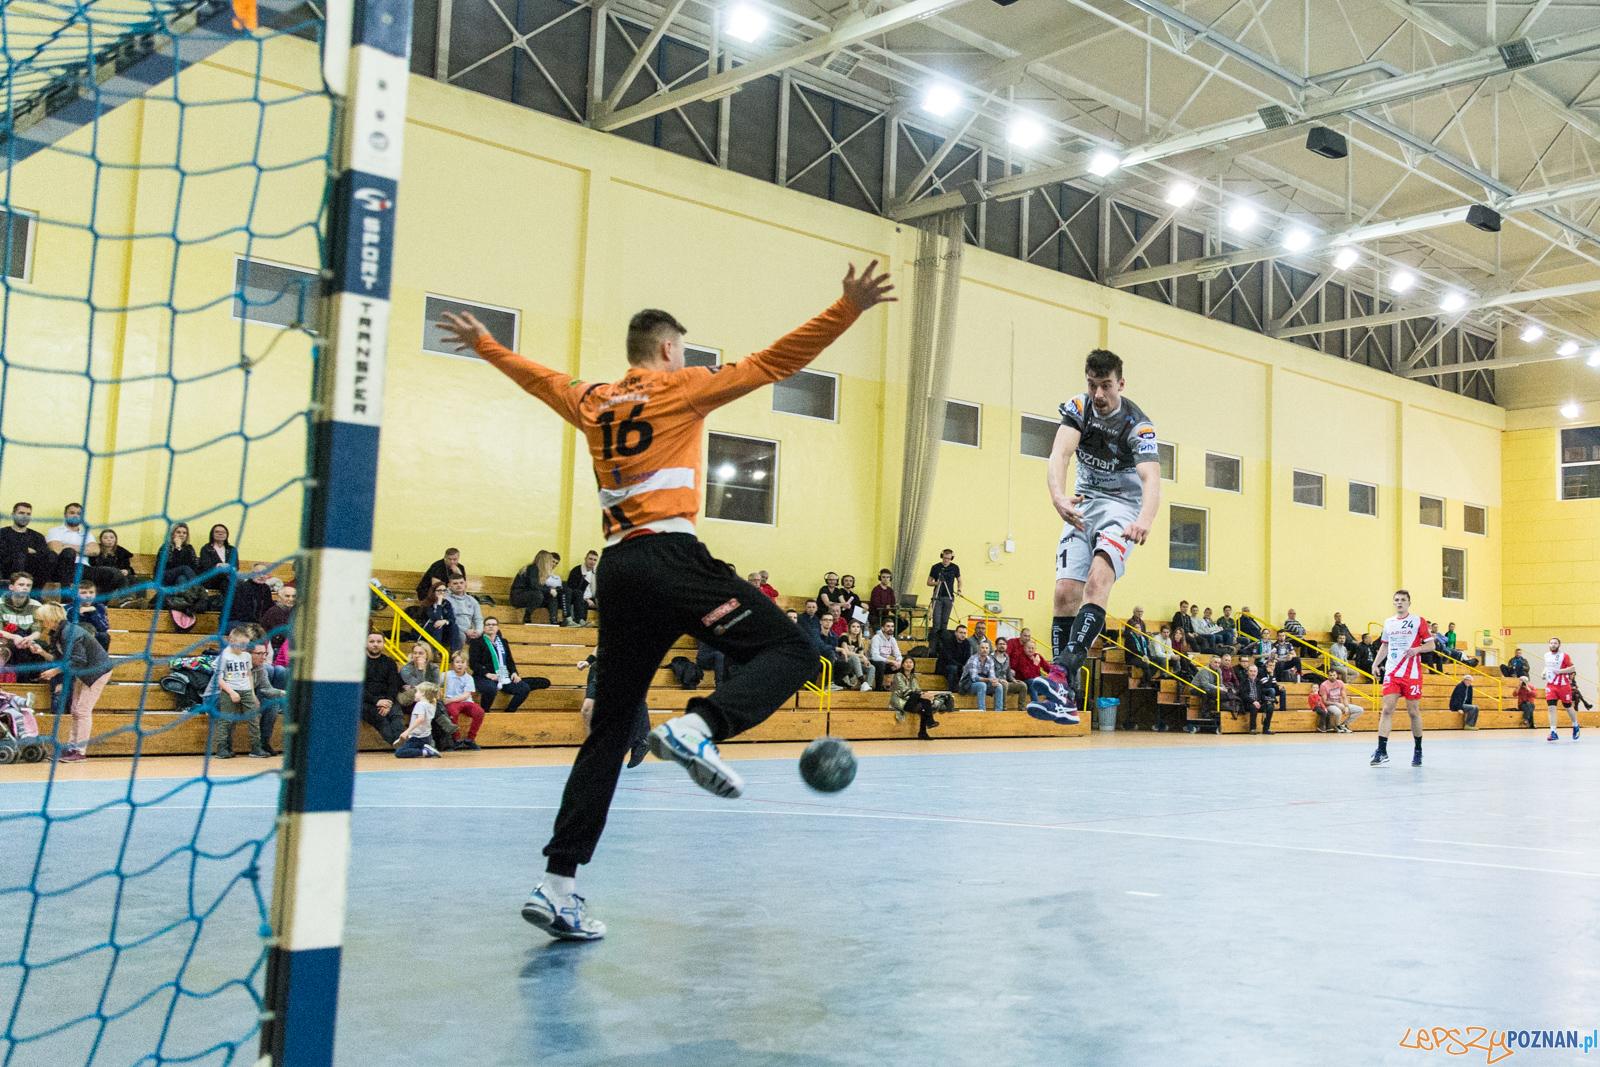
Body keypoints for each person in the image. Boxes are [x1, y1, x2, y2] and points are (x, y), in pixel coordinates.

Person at [442, 257, 894, 941]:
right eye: (680, 346)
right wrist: (846, 310)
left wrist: (485, 345)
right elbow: (773, 362)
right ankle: (700, 725)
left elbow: (537, 378)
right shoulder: (682, 386)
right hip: (671, 554)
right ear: (667, 348)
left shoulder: (592, 397)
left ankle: (557, 882)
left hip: (618, 570)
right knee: (794, 647)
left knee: (609, 729)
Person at [1048, 349, 1161, 713]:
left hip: (1121, 509)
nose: (1098, 394)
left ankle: (1062, 671)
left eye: (1106, 386)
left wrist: (1144, 519)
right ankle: (1060, 690)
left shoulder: (1137, 425)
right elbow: (1060, 454)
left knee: (1097, 582)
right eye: (1092, 385)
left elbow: (1151, 479)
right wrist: (1058, 497)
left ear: (1120, 384)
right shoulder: (1078, 409)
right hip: (1082, 503)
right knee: (1065, 591)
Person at [33, 601, 112, 762]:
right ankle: (71, 748)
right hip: (84, 671)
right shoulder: (59, 632)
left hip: (97, 671)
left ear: (50, 618)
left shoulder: (70, 632)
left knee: (82, 710)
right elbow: (60, 659)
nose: (40, 624)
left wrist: (54, 671)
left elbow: (77, 660)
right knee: (75, 709)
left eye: (42, 620)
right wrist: (41, 652)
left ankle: (80, 751)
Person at [1370, 589, 1435, 767]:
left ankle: (1418, 750)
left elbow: (1431, 644)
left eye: (1403, 600)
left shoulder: (1417, 621)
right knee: (1387, 710)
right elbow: (1384, 645)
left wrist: (1417, 649)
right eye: (1397, 600)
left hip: (1412, 673)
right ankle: (1381, 751)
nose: (1399, 602)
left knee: (1413, 712)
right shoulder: (1389, 623)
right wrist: (1376, 664)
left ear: (1408, 603)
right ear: (1393, 603)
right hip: (1392, 672)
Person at [210, 626, 267, 759]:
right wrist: (231, 692)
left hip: (245, 690)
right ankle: (222, 748)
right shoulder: (225, 656)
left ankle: (256, 747)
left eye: (246, 644)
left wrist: (252, 694)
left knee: (253, 718)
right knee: (226, 719)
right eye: (241, 644)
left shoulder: (246, 656)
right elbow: (218, 678)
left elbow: (248, 675)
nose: (244, 647)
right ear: (232, 640)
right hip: (230, 691)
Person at [470, 616, 544, 715]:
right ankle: (484, 711)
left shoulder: (503, 642)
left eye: (493, 624)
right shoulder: (476, 642)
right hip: (483, 676)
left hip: (502, 675)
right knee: (490, 688)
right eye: (488, 625)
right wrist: (488, 674)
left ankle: (509, 712)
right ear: (484, 628)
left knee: (524, 688)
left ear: (497, 627)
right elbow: (473, 664)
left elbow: (509, 660)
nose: (491, 627)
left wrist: (514, 672)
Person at [361, 632, 406, 743]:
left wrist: (389, 702)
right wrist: (377, 701)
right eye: (372, 641)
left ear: (384, 644)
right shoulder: (360, 663)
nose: (375, 644)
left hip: (387, 699)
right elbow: (359, 689)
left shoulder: (390, 662)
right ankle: (399, 745)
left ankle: (401, 743)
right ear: (366, 644)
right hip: (367, 702)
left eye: (379, 642)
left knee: (396, 715)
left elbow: (393, 685)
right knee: (381, 719)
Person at [889, 657, 945, 739]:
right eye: (906, 662)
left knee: (925, 705)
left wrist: (925, 695)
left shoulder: (912, 677)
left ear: (913, 665)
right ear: (903, 665)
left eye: (911, 662)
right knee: (924, 703)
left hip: (911, 700)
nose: (909, 664)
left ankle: (923, 732)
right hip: (901, 701)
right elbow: (904, 691)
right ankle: (929, 723)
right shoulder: (898, 676)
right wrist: (920, 696)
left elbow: (917, 690)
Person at [0, 573, 44, 675]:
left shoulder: (36, 606)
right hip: (6, 640)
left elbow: (37, 631)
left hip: (27, 640)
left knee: (40, 647)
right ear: (11, 587)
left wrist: (29, 638)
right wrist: (14, 637)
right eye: (21, 585)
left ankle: (34, 680)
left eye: (28, 586)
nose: (25, 588)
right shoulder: (0, 604)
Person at [444, 648, 487, 750]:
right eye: (457, 662)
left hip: (464, 702)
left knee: (479, 712)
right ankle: (456, 739)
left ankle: (470, 739)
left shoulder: (469, 678)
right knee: (452, 711)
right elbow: (436, 681)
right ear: (452, 664)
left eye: (462, 662)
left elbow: (466, 695)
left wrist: (450, 700)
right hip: (452, 703)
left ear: (466, 665)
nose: (460, 665)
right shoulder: (446, 675)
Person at [43, 503, 95, 586]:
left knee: (112, 573)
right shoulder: (55, 531)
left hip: (84, 567)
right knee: (69, 552)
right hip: (62, 568)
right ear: (65, 514)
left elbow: (95, 551)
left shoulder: (87, 533)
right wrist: (82, 550)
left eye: (79, 514)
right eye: (72, 513)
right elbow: (57, 550)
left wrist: (68, 546)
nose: (75, 516)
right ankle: (65, 596)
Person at [0, 503, 49, 585]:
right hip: (8, 571)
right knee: (19, 556)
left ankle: (36, 592)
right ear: (13, 515)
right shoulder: (3, 533)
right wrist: (25, 550)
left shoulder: (37, 536)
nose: (25, 516)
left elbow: (43, 556)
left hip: (33, 572)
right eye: (21, 513)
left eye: (28, 514)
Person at [1542, 637, 1580, 742]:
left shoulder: (1564, 656)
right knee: (1551, 708)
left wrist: (1560, 671)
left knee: (1568, 707)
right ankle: (1553, 732)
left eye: (1555, 643)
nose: (1553, 645)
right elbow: (1547, 666)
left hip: (1563, 686)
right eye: (1551, 643)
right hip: (1551, 686)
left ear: (1559, 645)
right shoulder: (1547, 655)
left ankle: (1575, 725)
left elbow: (1572, 668)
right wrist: (1544, 672)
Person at [511, 550, 563, 625]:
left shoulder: (538, 570)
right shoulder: (533, 568)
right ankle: (527, 616)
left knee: (550, 596)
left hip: (527, 596)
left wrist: (550, 591)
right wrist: (550, 590)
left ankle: (554, 620)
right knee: (538, 595)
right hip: (518, 596)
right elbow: (534, 585)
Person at [395, 681, 444, 759]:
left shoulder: (420, 705)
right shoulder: (431, 705)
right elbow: (434, 700)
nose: (415, 694)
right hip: (427, 737)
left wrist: (407, 731)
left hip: (418, 737)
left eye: (417, 692)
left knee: (399, 752)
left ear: (422, 693)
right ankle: (426, 748)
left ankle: (426, 752)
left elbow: (420, 719)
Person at [960, 637, 1007, 712]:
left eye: (986, 648)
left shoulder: (990, 660)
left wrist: (995, 681)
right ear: (979, 650)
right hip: (968, 684)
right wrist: (989, 680)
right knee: (982, 685)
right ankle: (982, 711)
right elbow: (974, 678)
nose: (984, 650)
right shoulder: (973, 659)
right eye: (982, 648)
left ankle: (998, 712)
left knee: (999, 686)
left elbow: (992, 675)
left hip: (983, 683)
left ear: (989, 650)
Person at [926, 549, 960, 639]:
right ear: (942, 557)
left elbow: (959, 580)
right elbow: (929, 582)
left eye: (948, 559)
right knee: (936, 622)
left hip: (949, 597)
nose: (946, 561)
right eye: (944, 558)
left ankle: (942, 644)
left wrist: (959, 590)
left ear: (951, 558)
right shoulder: (936, 567)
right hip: (937, 597)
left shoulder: (955, 568)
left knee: (944, 623)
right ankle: (934, 643)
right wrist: (936, 583)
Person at [69, 580, 111, 652]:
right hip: (75, 643)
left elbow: (103, 628)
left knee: (103, 636)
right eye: (83, 593)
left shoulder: (99, 607)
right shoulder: (69, 609)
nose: (88, 596)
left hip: (93, 644)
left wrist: (93, 611)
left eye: (91, 592)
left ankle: (100, 662)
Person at [444, 574, 483, 650]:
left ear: (465, 584)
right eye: (455, 583)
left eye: (461, 583)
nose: (459, 585)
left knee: (487, 637)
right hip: (452, 630)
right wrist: (465, 630)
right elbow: (448, 620)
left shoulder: (472, 601)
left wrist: (477, 631)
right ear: (449, 585)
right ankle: (456, 659)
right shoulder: (445, 599)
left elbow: (478, 619)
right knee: (461, 636)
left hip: (470, 632)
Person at [198, 524, 238, 595]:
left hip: (226, 579)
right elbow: (206, 567)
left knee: (227, 582)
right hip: (211, 578)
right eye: (217, 532)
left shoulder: (232, 549)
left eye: (223, 532)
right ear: (212, 534)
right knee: (230, 580)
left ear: (227, 535)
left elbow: (236, 566)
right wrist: (218, 566)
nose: (220, 533)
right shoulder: (206, 549)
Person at [158, 523, 200, 589]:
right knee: (185, 568)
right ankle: (199, 590)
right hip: (165, 576)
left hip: (181, 577)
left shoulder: (189, 548)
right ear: (172, 534)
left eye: (184, 533)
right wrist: (177, 548)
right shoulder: (166, 547)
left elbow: (193, 567)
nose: (181, 535)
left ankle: (181, 599)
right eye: (178, 532)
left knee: (181, 579)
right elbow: (171, 565)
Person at [935, 623, 973, 695]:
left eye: (964, 633)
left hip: (959, 666)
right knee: (953, 668)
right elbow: (947, 658)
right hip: (944, 666)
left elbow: (968, 657)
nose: (963, 635)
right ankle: (952, 691)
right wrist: (960, 666)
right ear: (956, 633)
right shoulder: (948, 642)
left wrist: (964, 666)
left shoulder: (967, 643)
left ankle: (966, 690)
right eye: (961, 632)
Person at [838, 618, 874, 691]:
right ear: (849, 628)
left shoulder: (860, 641)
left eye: (858, 627)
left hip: (855, 664)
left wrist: (865, 661)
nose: (856, 629)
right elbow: (847, 653)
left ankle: (867, 687)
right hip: (844, 662)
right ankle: (863, 683)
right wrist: (862, 656)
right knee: (855, 658)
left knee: (871, 667)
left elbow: (860, 658)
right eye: (853, 627)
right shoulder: (844, 637)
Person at [565, 551, 599, 627]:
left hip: (593, 597)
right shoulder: (576, 570)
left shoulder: (597, 573)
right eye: (590, 559)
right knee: (578, 594)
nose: (592, 562)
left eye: (594, 560)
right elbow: (572, 589)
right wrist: (586, 599)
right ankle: (580, 621)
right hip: (579, 597)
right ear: (585, 559)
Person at [869, 616, 903, 690]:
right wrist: (891, 661)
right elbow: (875, 656)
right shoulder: (876, 638)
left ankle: (899, 688)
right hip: (872, 662)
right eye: (888, 626)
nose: (890, 628)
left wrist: (898, 662)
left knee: (903, 665)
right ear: (882, 628)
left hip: (884, 662)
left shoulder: (892, 639)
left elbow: (898, 654)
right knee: (881, 665)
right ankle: (878, 688)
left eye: (892, 626)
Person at [1235, 663, 1270, 734]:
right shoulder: (1243, 681)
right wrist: (1253, 701)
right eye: (1251, 671)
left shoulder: (1258, 682)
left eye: (1255, 671)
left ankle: (1266, 729)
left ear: (1257, 673)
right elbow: (1243, 695)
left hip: (1257, 703)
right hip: (1247, 704)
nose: (1253, 673)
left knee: (1270, 706)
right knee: (1254, 707)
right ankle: (1253, 729)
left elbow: (1261, 694)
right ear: (1247, 672)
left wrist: (1266, 700)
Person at [867, 569, 898, 634]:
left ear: (890, 578)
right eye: (883, 577)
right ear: (880, 578)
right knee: (877, 625)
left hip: (885, 616)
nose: (886, 579)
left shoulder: (890, 591)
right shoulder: (876, 589)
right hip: (875, 616)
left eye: (888, 577)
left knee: (903, 622)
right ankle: (882, 637)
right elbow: (876, 605)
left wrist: (897, 609)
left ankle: (891, 637)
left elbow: (892, 605)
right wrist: (886, 606)